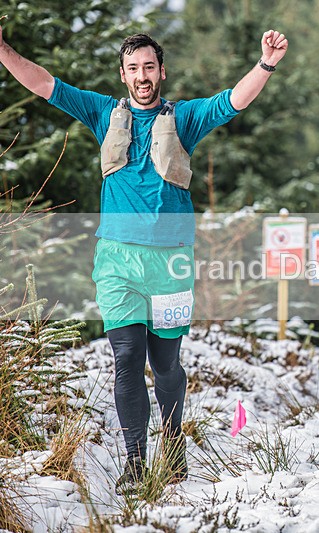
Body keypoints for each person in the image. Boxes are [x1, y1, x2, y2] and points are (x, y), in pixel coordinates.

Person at [0, 25, 287, 494]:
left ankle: (173, 444)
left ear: (162, 72)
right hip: (117, 262)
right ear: (123, 74)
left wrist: (266, 63)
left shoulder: (185, 118)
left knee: (166, 363)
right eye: (133, 69)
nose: (142, 76)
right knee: (128, 357)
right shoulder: (102, 113)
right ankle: (136, 460)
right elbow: (43, 83)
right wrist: (2, 49)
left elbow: (233, 100)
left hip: (170, 263)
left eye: (149, 67)